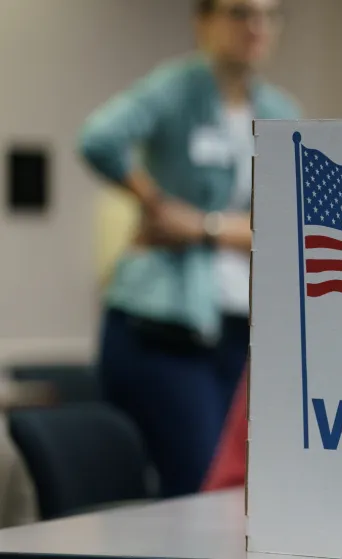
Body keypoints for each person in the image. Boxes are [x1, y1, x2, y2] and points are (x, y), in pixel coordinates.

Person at [78, 0, 299, 497]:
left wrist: (200, 226)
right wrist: (153, 201)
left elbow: (287, 224)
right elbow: (97, 139)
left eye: (270, 14)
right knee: (203, 485)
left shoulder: (281, 113)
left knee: (244, 484)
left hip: (238, 328)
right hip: (162, 326)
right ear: (205, 21)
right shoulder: (176, 90)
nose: (256, 27)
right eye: (241, 13)